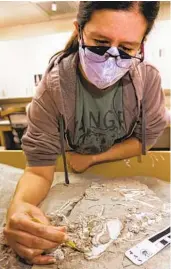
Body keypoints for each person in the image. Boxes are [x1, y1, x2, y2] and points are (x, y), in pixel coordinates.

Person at [4, 1, 168, 265]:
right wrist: (20, 206)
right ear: (79, 31)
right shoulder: (53, 89)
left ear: (142, 45)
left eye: (127, 48)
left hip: (124, 172)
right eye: (100, 42)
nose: (111, 57)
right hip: (70, 175)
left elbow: (143, 141)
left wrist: (92, 158)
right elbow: (38, 170)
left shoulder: (147, 81)